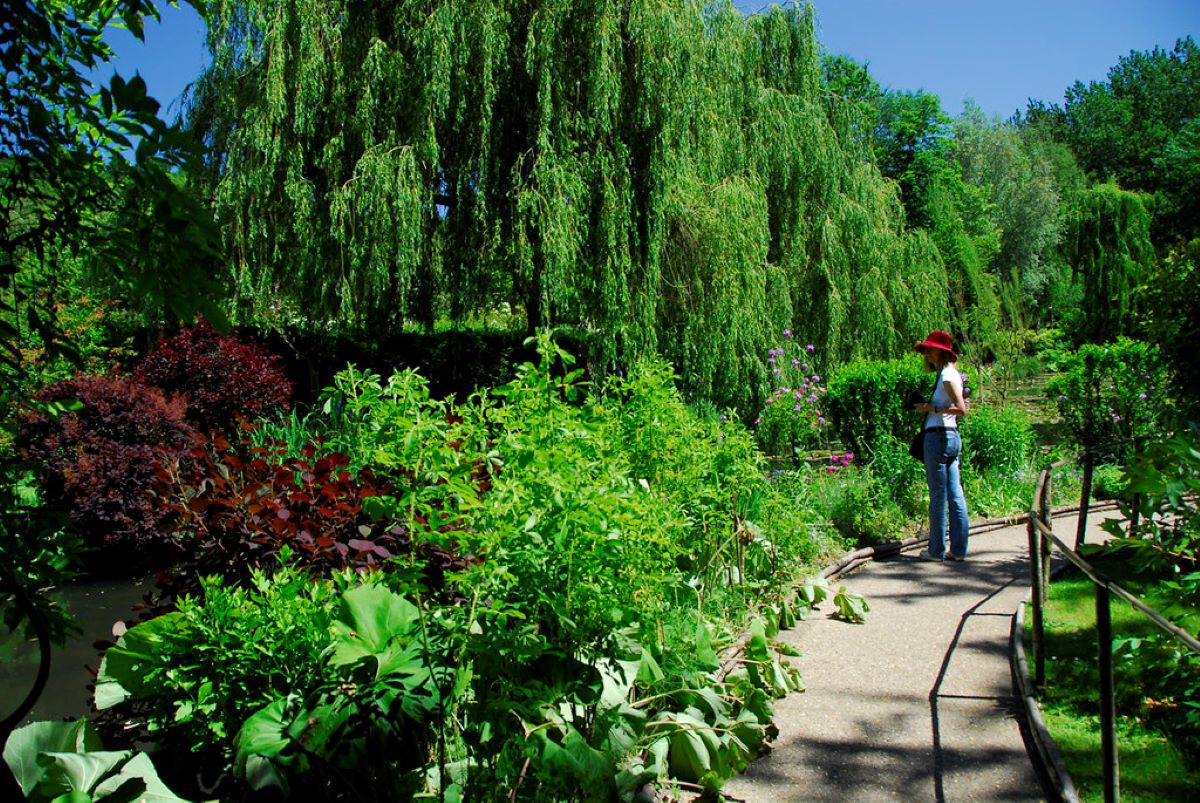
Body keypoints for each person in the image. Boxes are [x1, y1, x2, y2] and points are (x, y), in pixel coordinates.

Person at [912, 330, 970, 561]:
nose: (926, 353)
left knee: (938, 494)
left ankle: (936, 551)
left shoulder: (946, 375)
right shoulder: (950, 374)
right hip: (950, 437)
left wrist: (931, 409)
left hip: (938, 437)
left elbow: (961, 408)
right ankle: (958, 550)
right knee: (955, 494)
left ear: (941, 351)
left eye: (930, 348)